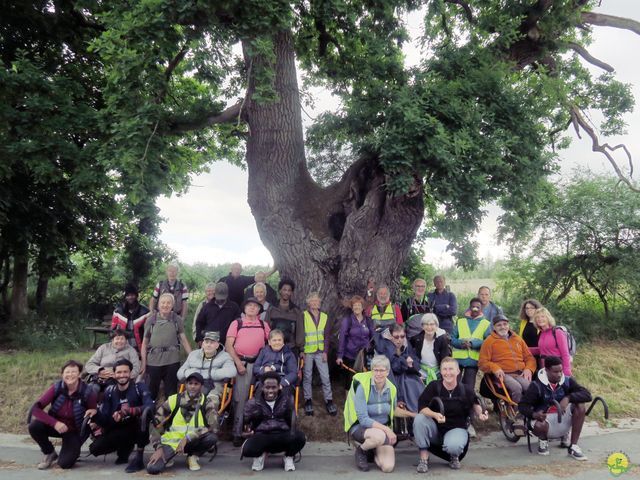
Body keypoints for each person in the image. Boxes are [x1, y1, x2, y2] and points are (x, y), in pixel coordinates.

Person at [413, 357, 489, 472]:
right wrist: (435, 415)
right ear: (441, 371)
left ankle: (454, 456)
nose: (448, 373)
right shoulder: (434, 386)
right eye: (445, 369)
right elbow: (422, 407)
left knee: (454, 446)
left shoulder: (466, 389)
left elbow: (475, 403)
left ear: (458, 371)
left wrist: (481, 414)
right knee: (419, 419)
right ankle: (424, 459)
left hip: (456, 429)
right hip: (435, 430)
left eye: (451, 369)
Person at [343, 355, 415, 473]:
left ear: (387, 372)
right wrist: (387, 430)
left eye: (382, 370)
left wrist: (413, 415)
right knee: (379, 436)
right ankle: (361, 450)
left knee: (388, 467)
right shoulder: (363, 386)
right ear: (372, 371)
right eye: (375, 370)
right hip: (361, 428)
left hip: (382, 431)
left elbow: (393, 410)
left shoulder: (391, 388)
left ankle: (372, 451)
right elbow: (363, 419)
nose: (378, 374)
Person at [28, 360, 98, 470]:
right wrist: (55, 423)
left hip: (74, 430)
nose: (70, 375)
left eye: (74, 372)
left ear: (79, 374)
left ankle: (71, 451)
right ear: (62, 374)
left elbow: (93, 411)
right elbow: (35, 409)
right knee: (34, 426)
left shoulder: (88, 392)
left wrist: (94, 411)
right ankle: (49, 452)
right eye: (67, 372)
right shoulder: (56, 388)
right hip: (57, 426)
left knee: (65, 464)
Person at [519, 355, 591, 460]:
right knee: (539, 425)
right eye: (555, 372)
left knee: (580, 405)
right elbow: (522, 406)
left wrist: (568, 398)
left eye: (561, 371)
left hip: (562, 418)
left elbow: (587, 395)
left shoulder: (567, 381)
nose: (559, 374)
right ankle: (543, 441)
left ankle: (573, 446)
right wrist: (534, 414)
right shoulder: (536, 385)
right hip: (544, 421)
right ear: (547, 370)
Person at [88, 359, 154, 473]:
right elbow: (105, 419)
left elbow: (150, 406)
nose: (122, 375)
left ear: (130, 373)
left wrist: (127, 411)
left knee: (145, 416)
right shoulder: (109, 391)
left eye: (125, 372)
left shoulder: (140, 387)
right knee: (95, 449)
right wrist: (96, 415)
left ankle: (139, 458)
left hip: (137, 427)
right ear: (114, 374)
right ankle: (125, 449)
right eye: (119, 372)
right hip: (118, 427)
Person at [147, 372, 218, 474]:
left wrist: (187, 438)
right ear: (185, 385)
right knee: (152, 469)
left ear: (201, 386)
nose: (193, 386)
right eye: (190, 383)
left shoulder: (207, 402)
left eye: (196, 384)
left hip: (192, 441)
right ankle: (169, 457)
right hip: (172, 442)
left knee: (212, 437)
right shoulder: (174, 399)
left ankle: (193, 456)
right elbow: (154, 423)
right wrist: (158, 447)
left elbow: (214, 426)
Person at [225, 297, 271, 446]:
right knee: (240, 399)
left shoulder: (264, 325)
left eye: (255, 306)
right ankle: (237, 432)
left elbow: (270, 345)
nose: (252, 308)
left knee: (262, 397)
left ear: (259, 310)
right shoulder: (237, 323)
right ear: (244, 308)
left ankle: (258, 431)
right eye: (249, 305)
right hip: (242, 363)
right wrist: (238, 363)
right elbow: (229, 346)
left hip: (259, 363)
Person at [242, 371, 306, 472]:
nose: (270, 391)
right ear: (262, 387)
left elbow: (293, 420)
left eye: (274, 387)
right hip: (262, 435)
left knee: (300, 437)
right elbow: (245, 424)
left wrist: (292, 429)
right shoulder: (253, 402)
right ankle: (259, 456)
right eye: (267, 387)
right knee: (247, 449)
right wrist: (246, 432)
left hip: (282, 434)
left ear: (279, 387)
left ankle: (288, 457)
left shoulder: (287, 399)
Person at [140, 292, 193, 400]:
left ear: (172, 305)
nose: (165, 305)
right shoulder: (151, 320)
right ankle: (150, 413)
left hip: (172, 361)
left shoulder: (176, 319)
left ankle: (170, 415)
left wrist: (192, 358)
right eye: (163, 303)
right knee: (152, 391)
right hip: (154, 361)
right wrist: (143, 363)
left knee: (171, 393)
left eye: (169, 303)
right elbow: (144, 343)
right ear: (158, 305)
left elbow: (184, 340)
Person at [478, 314, 536, 403]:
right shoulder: (489, 341)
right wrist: (495, 368)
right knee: (516, 388)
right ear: (494, 327)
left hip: (520, 373)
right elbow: (482, 363)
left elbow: (529, 358)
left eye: (505, 324)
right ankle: (516, 412)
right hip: (503, 374)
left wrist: (528, 369)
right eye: (499, 325)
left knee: (530, 388)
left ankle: (527, 411)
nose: (503, 327)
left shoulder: (518, 339)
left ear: (508, 325)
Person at [177, 331, 237, 414]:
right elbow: (180, 373)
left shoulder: (225, 356)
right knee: (182, 403)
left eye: (212, 342)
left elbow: (232, 372)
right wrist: (196, 374)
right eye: (206, 342)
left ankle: (210, 425)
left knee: (210, 404)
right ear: (202, 344)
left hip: (214, 386)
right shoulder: (193, 355)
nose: (208, 345)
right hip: (194, 384)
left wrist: (207, 374)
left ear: (217, 345)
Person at [301, 291, 337, 416]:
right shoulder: (304, 315)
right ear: (308, 303)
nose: (315, 303)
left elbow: (327, 336)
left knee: (325, 377)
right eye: (312, 301)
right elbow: (301, 335)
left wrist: (326, 351)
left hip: (321, 351)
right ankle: (308, 400)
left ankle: (329, 401)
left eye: (317, 301)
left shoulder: (324, 316)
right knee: (307, 377)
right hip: (308, 351)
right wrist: (302, 351)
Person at [375, 323, 424, 413]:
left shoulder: (405, 343)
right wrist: (406, 362)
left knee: (417, 382)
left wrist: (412, 365)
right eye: (396, 337)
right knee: (410, 384)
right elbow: (394, 366)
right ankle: (412, 411)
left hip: (406, 372)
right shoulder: (386, 345)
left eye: (402, 336)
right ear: (390, 336)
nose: (399, 340)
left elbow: (415, 359)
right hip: (392, 375)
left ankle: (421, 409)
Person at [451, 298, 491, 393]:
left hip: (473, 361)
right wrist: (460, 344)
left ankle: (466, 406)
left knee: (469, 387)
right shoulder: (460, 321)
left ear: (482, 309)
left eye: (478, 307)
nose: (475, 309)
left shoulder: (486, 324)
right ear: (469, 307)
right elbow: (452, 338)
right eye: (473, 306)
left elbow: (487, 341)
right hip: (458, 360)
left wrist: (473, 344)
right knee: (453, 384)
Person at [85, 328, 141, 394]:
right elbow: (89, 364)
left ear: (126, 340)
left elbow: (136, 369)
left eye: (122, 339)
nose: (119, 341)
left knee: (110, 392)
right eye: (117, 339)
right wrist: (100, 370)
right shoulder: (103, 348)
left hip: (118, 381)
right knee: (91, 390)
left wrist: (120, 376)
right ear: (112, 340)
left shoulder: (131, 351)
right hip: (100, 378)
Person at [337, 295, 375, 389]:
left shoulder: (368, 321)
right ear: (352, 307)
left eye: (359, 305)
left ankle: (362, 402)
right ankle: (349, 402)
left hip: (365, 357)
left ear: (362, 307)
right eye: (355, 305)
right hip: (350, 356)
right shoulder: (347, 320)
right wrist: (340, 356)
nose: (357, 307)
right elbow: (342, 339)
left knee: (365, 382)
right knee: (350, 383)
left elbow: (373, 337)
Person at [264, 278, 304, 354]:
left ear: (292, 292)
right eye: (284, 290)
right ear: (280, 291)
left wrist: (301, 350)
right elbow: (266, 328)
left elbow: (300, 332)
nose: (286, 292)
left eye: (289, 290)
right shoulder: (271, 309)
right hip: (273, 348)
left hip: (291, 349)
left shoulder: (296, 311)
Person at [410, 313, 450, 384]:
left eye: (432, 324)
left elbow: (445, 360)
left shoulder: (442, 340)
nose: (429, 327)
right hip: (421, 373)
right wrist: (417, 372)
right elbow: (412, 356)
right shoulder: (416, 339)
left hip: (438, 374)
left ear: (436, 326)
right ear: (422, 326)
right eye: (426, 324)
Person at [254, 329, 298, 394]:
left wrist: (281, 384)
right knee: (260, 391)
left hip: (281, 380)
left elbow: (293, 373)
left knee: (284, 393)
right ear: (269, 342)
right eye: (274, 340)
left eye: (279, 340)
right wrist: (264, 369)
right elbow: (255, 368)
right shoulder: (263, 351)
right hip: (265, 380)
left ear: (283, 341)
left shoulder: (288, 353)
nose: (277, 342)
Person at [534, 308, 572, 376]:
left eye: (543, 316)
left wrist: (566, 371)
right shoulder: (541, 333)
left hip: (557, 369)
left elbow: (565, 353)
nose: (540, 319)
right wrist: (523, 349)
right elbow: (542, 350)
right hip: (545, 369)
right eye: (537, 317)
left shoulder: (557, 332)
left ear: (548, 318)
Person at [111, 283, 150, 351]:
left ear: (136, 296)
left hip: (140, 346)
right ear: (125, 297)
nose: (130, 297)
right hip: (123, 345)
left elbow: (149, 331)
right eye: (128, 295)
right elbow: (113, 329)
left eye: (132, 295)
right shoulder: (118, 311)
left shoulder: (145, 312)